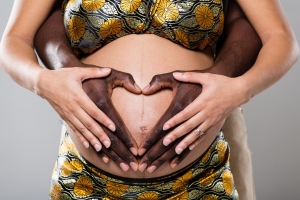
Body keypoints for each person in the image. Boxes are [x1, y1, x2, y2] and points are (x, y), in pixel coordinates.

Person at [0, 0, 298, 199]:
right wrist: (43, 82)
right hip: (86, 177)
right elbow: (15, 40)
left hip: (198, 175)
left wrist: (239, 89)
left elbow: (281, 38)